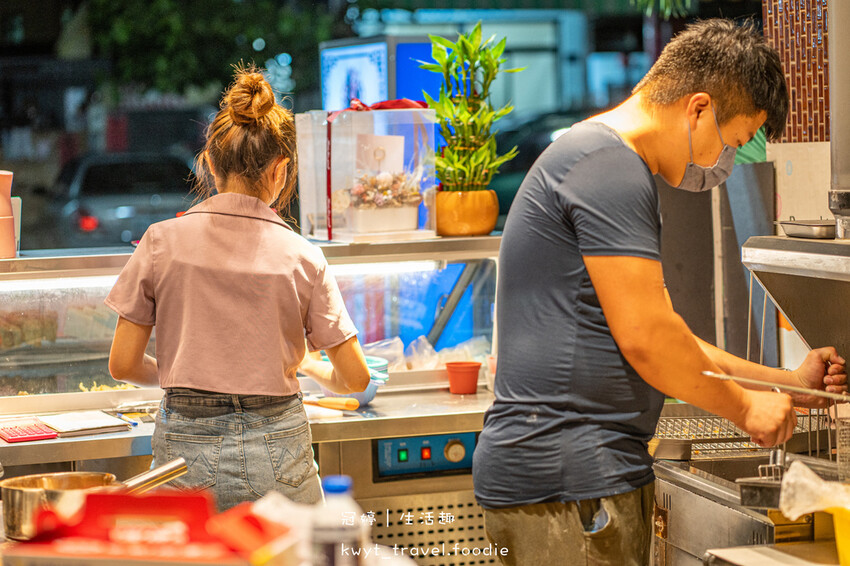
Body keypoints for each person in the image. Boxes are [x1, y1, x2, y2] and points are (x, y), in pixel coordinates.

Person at [473, 19, 848, 566]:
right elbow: (649, 340)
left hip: (567, 480)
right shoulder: (609, 169)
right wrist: (747, 410)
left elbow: (666, 336)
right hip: (571, 481)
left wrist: (788, 383)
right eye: (733, 143)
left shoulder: (595, 159)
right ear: (698, 109)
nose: (724, 164)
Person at [105, 66, 370, 511]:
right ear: (282, 171)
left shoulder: (160, 241)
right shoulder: (302, 255)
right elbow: (356, 378)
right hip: (280, 447)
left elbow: (123, 364)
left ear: (208, 164)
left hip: (184, 455)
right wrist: (308, 367)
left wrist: (178, 376)